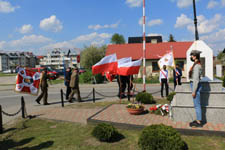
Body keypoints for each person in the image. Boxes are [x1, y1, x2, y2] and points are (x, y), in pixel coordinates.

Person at [189, 50, 203, 127]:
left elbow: (196, 80)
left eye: (192, 55)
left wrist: (194, 91)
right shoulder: (196, 64)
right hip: (195, 85)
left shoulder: (197, 66)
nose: (191, 57)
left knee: (197, 104)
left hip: (195, 86)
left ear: (195, 56)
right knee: (197, 104)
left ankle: (199, 122)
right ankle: (198, 119)